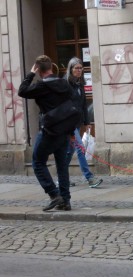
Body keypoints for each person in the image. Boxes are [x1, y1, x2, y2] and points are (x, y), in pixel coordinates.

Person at [18, 55, 72, 211]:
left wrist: (30, 74)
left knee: (37, 162)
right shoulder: (64, 83)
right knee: (62, 166)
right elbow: (71, 105)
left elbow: (22, 91)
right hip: (64, 131)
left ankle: (54, 195)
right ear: (51, 67)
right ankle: (66, 200)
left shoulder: (42, 87)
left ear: (39, 70)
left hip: (49, 131)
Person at [63, 57, 103, 196]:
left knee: (69, 152)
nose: (79, 70)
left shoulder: (79, 84)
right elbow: (64, 105)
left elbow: (83, 104)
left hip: (77, 122)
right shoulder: (66, 84)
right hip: (68, 123)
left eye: (81, 68)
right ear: (70, 69)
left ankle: (62, 178)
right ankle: (89, 177)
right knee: (80, 148)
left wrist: (87, 122)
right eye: (76, 68)